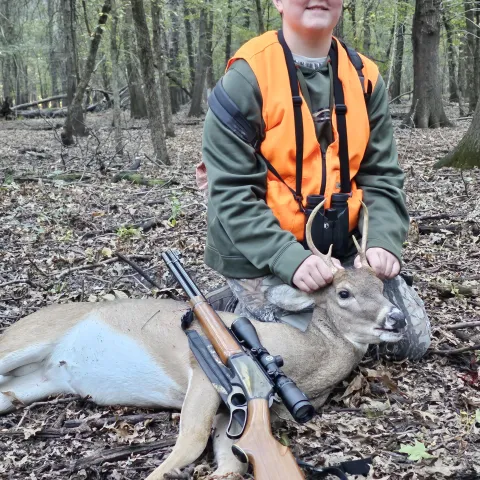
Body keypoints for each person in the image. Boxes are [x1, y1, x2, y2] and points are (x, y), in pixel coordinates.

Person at [200, 0, 431, 361]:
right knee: (296, 354)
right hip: (259, 252)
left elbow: (381, 174)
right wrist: (288, 259)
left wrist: (383, 242)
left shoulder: (364, 77)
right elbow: (231, 191)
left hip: (341, 251)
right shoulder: (248, 77)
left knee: (407, 343)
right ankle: (237, 297)